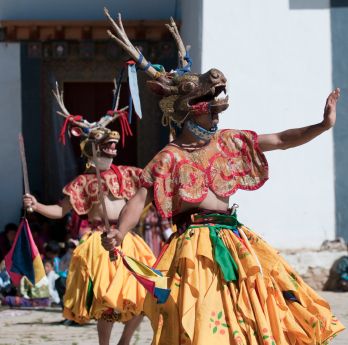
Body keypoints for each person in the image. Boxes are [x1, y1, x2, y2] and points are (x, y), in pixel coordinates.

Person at [102, 12, 345, 345]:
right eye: (207, 104)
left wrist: (322, 125)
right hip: (194, 249)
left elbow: (281, 140)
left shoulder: (230, 141)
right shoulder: (169, 157)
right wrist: (119, 231)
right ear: (185, 107)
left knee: (251, 319)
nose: (215, 109)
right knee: (203, 322)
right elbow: (140, 198)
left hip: (234, 242)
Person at [23, 84, 156, 345]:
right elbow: (60, 210)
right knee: (106, 299)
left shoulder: (129, 173)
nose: (113, 148)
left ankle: (125, 340)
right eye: (106, 145)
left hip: (128, 238)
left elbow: (152, 186)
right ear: (93, 148)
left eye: (114, 145)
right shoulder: (82, 182)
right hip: (100, 241)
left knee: (145, 293)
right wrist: (36, 205)